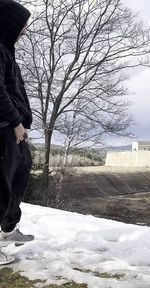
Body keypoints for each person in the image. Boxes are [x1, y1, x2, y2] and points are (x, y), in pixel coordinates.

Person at [0, 0, 34, 265]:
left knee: (21, 174)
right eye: (23, 25)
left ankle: (7, 229)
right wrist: (15, 122)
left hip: (14, 129)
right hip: (4, 128)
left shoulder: (5, 49)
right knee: (0, 188)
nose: (25, 31)